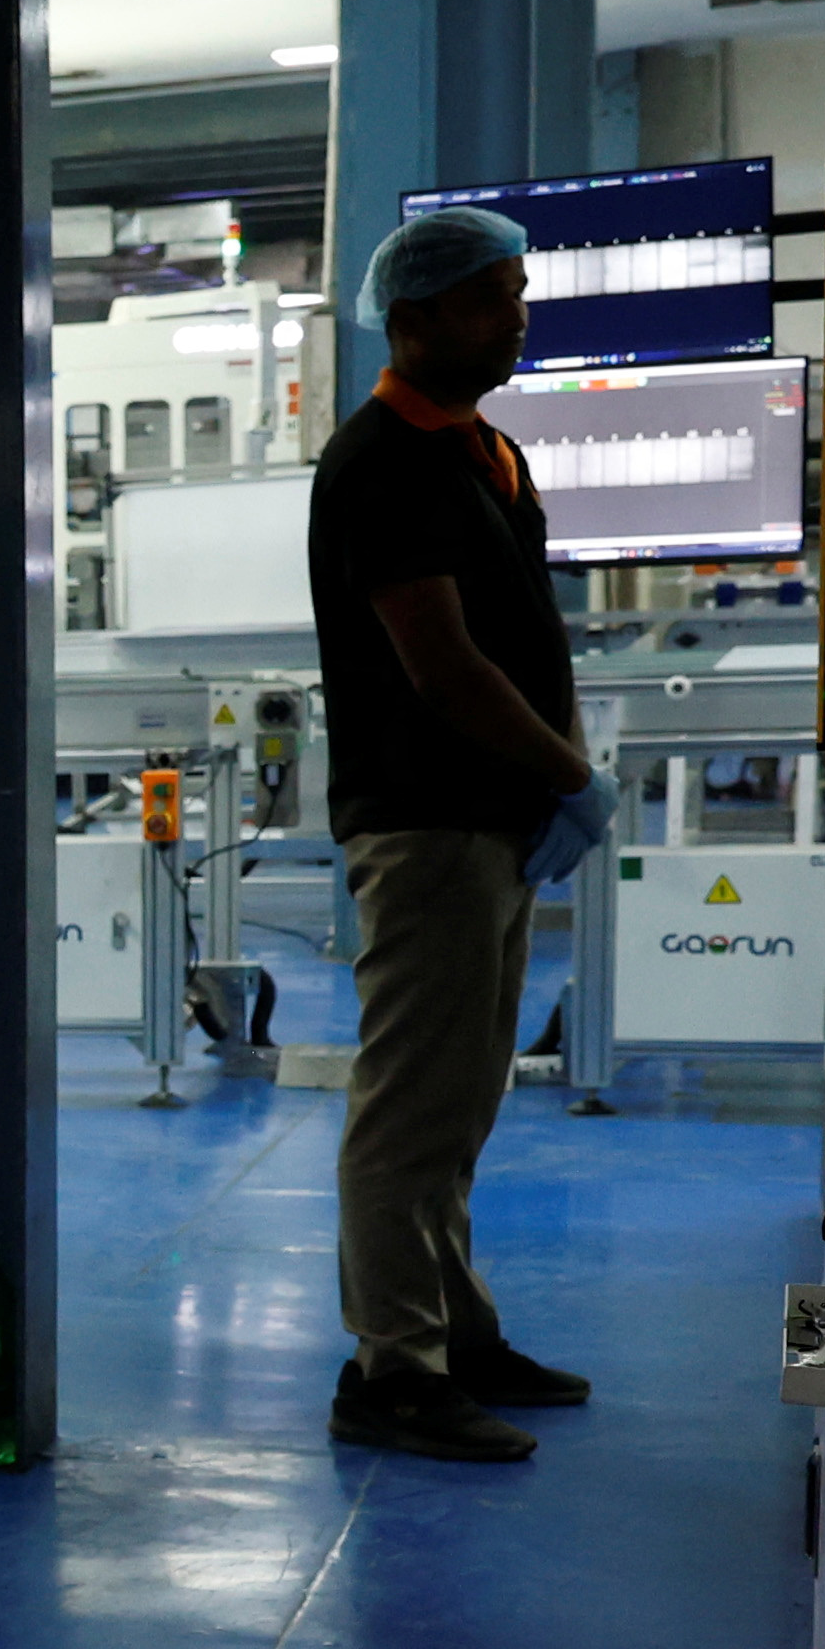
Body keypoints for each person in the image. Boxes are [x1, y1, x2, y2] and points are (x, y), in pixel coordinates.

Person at [306, 203, 607, 1463]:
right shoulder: (382, 461)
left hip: (490, 819)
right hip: (428, 824)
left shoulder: (481, 451)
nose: (517, 316)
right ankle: (392, 1370)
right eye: (491, 298)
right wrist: (569, 772)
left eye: (518, 291)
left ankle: (455, 1332)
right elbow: (443, 665)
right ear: (416, 319)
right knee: (409, 1111)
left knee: (462, 1103)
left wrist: (546, 783)